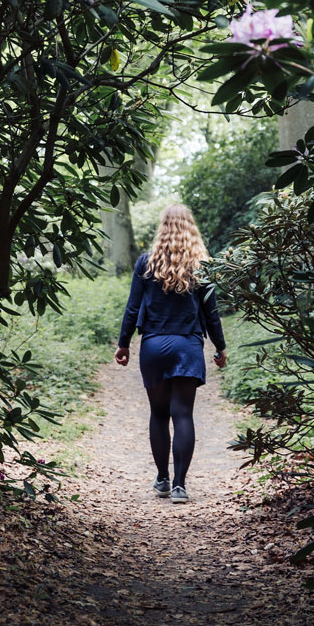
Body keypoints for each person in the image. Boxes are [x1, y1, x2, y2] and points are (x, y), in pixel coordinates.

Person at [114, 203, 227, 504]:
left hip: (153, 346)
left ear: (162, 227)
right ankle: (180, 485)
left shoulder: (146, 263)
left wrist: (123, 343)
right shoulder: (202, 265)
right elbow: (211, 313)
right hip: (187, 346)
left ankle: (162, 479)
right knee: (183, 414)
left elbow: (133, 307)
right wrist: (220, 346)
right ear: (191, 227)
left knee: (159, 413)